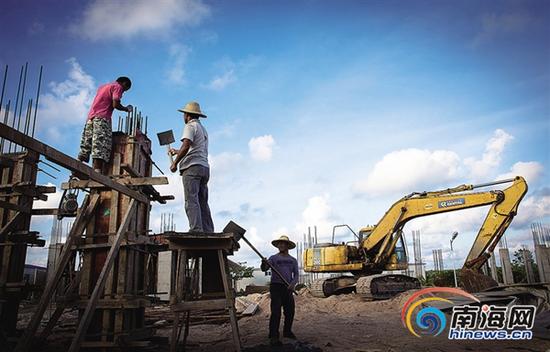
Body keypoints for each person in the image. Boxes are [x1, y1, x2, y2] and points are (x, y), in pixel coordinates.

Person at [169, 101, 214, 233]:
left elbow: (187, 144)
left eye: (184, 114)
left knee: (191, 200)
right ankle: (208, 230)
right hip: (204, 167)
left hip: (192, 168)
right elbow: (192, 149)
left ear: (187, 115)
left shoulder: (190, 126)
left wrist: (175, 163)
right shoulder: (202, 129)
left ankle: (196, 229)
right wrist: (177, 151)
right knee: (202, 202)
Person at [77, 76, 133, 173]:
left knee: (87, 143)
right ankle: (97, 171)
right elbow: (115, 104)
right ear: (124, 84)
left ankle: (77, 164)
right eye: (124, 90)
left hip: (90, 118)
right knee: (101, 144)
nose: (122, 93)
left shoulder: (103, 86)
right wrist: (126, 109)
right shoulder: (118, 87)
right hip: (102, 118)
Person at [261, 235, 299, 346]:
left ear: (287, 245)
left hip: (288, 288)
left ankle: (287, 331)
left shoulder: (293, 260)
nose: (281, 245)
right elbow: (265, 269)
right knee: (276, 312)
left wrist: (293, 284)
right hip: (276, 287)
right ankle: (273, 335)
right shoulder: (273, 258)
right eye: (279, 244)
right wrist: (264, 262)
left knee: (290, 311)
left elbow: (296, 274)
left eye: (283, 243)